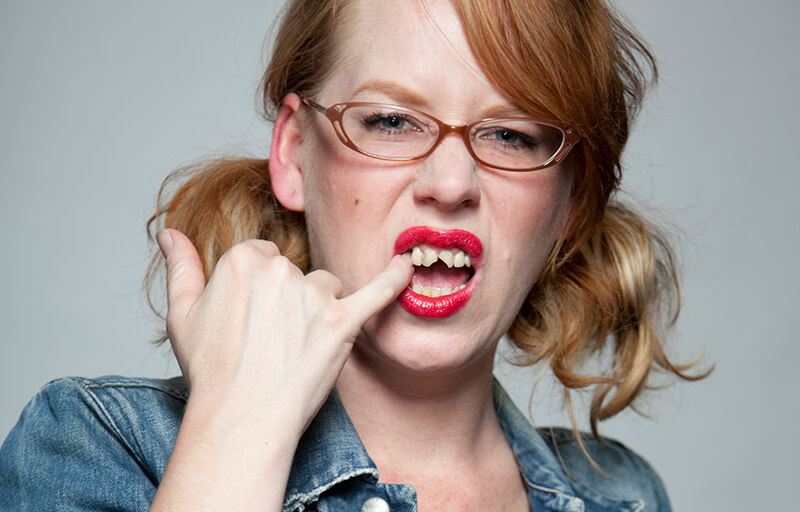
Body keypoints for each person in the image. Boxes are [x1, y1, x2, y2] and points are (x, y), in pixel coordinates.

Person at [0, 0, 706, 510]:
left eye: (512, 135)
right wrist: (236, 437)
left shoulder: (626, 497)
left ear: (571, 201)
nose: (451, 184)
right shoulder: (98, 449)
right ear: (295, 153)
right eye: (392, 121)